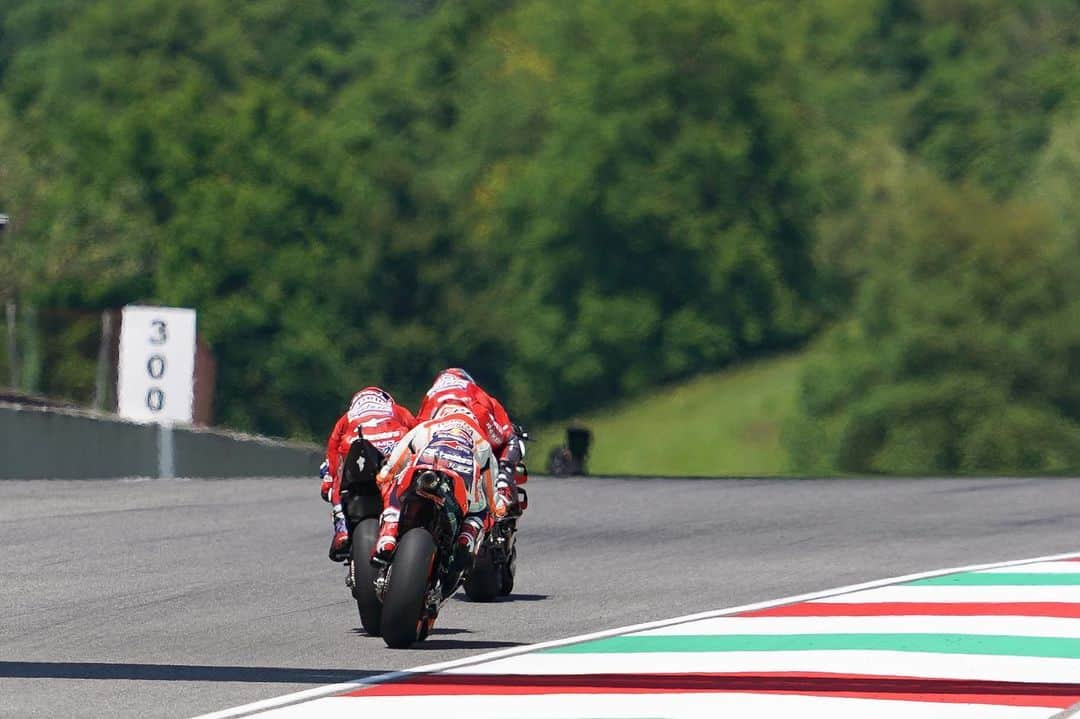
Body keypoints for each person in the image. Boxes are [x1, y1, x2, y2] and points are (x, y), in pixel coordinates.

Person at [371, 405, 496, 572]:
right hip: (462, 473)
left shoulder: (426, 426)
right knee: (481, 510)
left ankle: (389, 534)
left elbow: (399, 455)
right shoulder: (483, 442)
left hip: (425, 467)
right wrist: (494, 508)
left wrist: (386, 473)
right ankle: (467, 536)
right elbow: (491, 487)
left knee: (396, 490)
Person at [320, 387, 416, 561]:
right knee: (399, 482)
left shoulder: (348, 416)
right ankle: (394, 522)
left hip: (357, 441)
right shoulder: (397, 410)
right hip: (393, 440)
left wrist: (328, 481)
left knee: (337, 479)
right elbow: (417, 431)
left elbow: (333, 448)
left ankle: (342, 529)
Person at [415, 368, 526, 518]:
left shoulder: (431, 395)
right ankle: (502, 489)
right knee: (509, 439)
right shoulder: (474, 389)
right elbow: (504, 428)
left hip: (436, 429)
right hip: (474, 422)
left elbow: (417, 426)